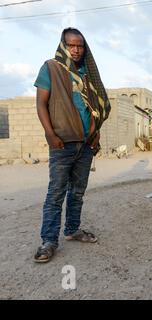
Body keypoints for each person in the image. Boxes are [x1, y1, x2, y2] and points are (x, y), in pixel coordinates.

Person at [33, 28, 111, 263]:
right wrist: (49, 133)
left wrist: (96, 132)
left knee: (77, 192)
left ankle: (72, 230)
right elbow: (41, 104)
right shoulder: (51, 68)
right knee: (55, 194)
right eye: (72, 45)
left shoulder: (88, 73)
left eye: (80, 46)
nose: (76, 50)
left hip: (86, 144)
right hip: (62, 143)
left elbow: (95, 108)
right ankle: (48, 241)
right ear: (63, 46)